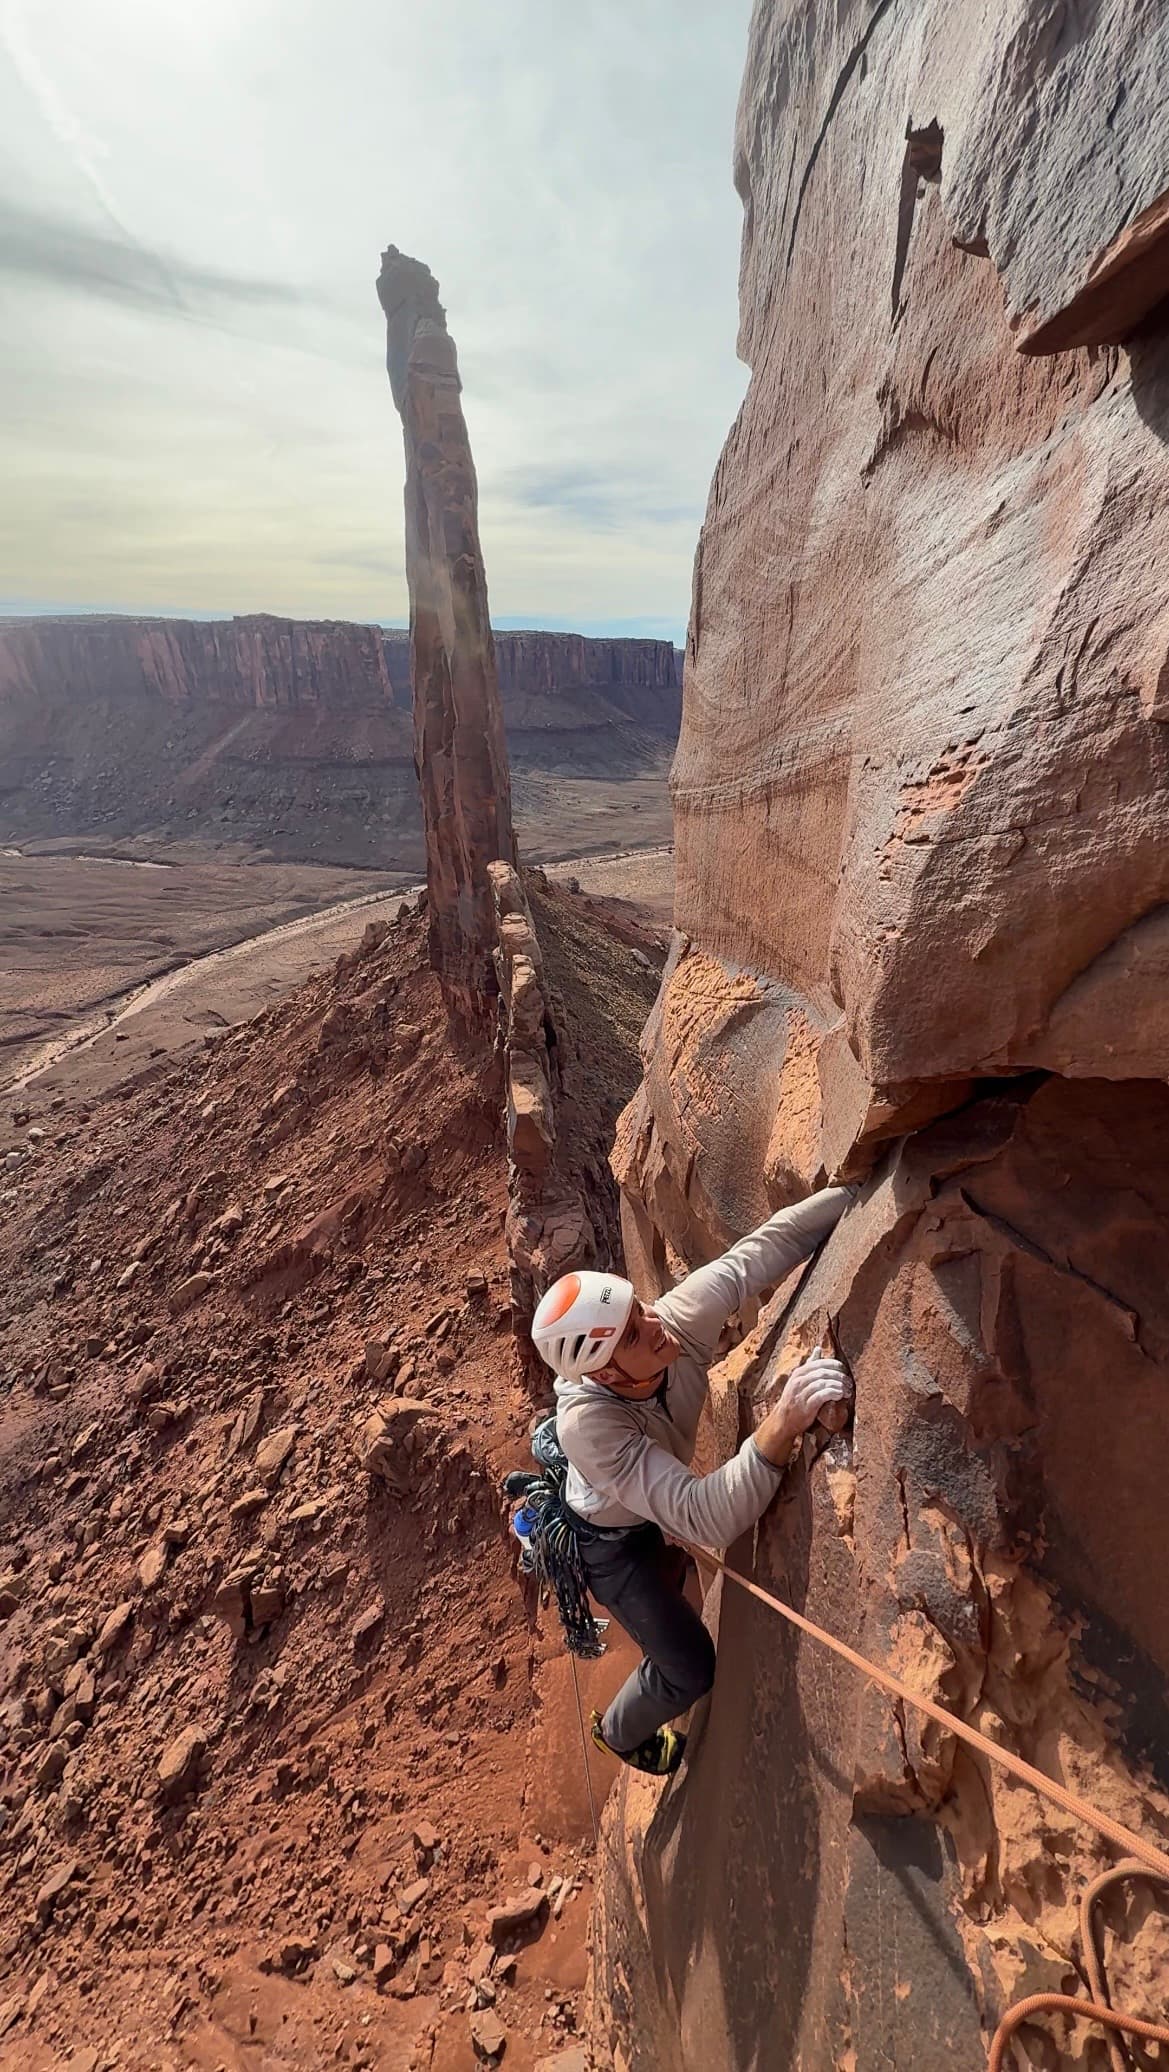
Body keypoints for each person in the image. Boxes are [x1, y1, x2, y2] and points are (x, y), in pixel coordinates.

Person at [530, 1184, 854, 1776]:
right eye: (631, 1336)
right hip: (610, 1546)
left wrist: (859, 1195)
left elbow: (757, 1254)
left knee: (678, 1580)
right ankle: (620, 1733)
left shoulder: (668, 1326)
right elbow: (704, 1518)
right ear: (601, 1376)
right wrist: (780, 1426)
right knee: (689, 1666)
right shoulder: (590, 1426)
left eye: (638, 1311)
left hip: (642, 1501)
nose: (655, 1326)